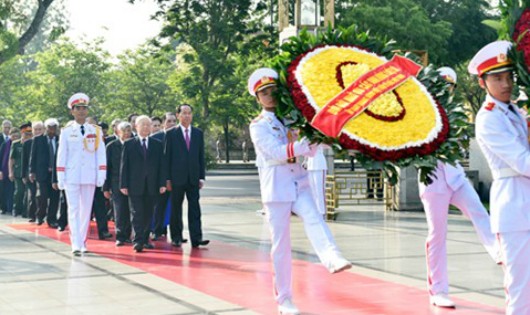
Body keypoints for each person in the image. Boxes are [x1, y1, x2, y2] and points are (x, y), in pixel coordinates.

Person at [248, 68, 351, 314]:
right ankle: (284, 299)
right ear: (257, 98)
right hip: (276, 188)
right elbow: (277, 152)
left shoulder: (293, 117)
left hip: (299, 180)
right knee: (281, 247)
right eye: (264, 93)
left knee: (315, 218)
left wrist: (316, 141)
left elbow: (310, 149)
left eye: (273, 90)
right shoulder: (258, 125)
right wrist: (303, 145)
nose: (270, 96)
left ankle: (331, 257)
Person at [418, 67, 499, 308]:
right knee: (437, 235)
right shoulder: (420, 110)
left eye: (450, 86)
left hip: (455, 176)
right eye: (441, 85)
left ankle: (498, 252)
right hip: (432, 180)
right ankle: (438, 290)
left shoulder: (454, 113)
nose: (446, 90)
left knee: (480, 213)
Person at [469, 40, 530, 315]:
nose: (506, 84)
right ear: (482, 83)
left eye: (509, 77)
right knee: (521, 288)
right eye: (497, 78)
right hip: (514, 209)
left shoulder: (514, 110)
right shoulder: (487, 119)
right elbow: (522, 161)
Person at [56, 93, 106, 256]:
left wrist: (101, 174)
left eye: (84, 108)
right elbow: (62, 155)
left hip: (89, 175)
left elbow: (100, 154)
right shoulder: (66, 131)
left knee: (86, 210)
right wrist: (60, 177)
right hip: (72, 175)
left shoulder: (95, 130)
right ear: (72, 111)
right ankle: (75, 242)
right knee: (73, 209)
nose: (82, 111)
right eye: (78, 108)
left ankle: (82, 241)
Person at [165, 104, 209, 248]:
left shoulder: (198, 133)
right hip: (176, 179)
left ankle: (197, 238)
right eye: (184, 113)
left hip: (193, 178)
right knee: (176, 209)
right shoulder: (171, 134)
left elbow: (200, 157)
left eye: (189, 113)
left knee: (195, 208)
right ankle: (176, 237)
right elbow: (167, 157)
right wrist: (167, 179)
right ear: (178, 115)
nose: (187, 116)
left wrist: (201, 177)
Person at [120, 116, 166, 252]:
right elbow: (124, 166)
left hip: (152, 185)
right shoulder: (129, 144)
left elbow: (162, 166)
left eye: (148, 125)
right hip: (135, 185)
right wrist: (123, 184)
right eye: (143, 125)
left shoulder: (157, 144)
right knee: (137, 213)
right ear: (136, 126)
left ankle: (145, 239)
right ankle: (138, 240)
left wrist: (162, 183)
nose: (146, 127)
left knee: (148, 213)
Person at [104, 122, 133, 246]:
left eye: (128, 131)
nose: (126, 134)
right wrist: (106, 187)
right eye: (124, 131)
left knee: (131, 210)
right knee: (119, 209)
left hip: (132, 183)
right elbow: (107, 168)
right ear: (117, 132)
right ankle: (120, 236)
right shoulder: (111, 146)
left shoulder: (134, 145)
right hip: (116, 183)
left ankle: (129, 234)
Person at [150, 112, 177, 241]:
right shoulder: (156, 138)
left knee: (176, 208)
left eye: (174, 121)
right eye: (169, 121)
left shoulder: (180, 136)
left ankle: (176, 234)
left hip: (177, 179)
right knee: (159, 206)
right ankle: (156, 230)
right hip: (159, 179)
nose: (171, 124)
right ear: (163, 124)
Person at [29, 118, 60, 228]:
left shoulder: (59, 140)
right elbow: (33, 156)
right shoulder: (38, 140)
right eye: (49, 128)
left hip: (55, 174)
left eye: (54, 128)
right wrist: (31, 171)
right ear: (46, 129)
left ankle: (52, 219)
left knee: (54, 197)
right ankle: (40, 216)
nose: (52, 130)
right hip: (42, 173)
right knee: (42, 196)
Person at [10, 124, 30, 217]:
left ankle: (25, 211)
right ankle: (16, 209)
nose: (27, 135)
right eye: (25, 133)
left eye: (29, 133)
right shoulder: (16, 143)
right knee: (19, 191)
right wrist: (11, 171)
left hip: (28, 171)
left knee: (28, 192)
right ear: (22, 133)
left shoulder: (32, 143)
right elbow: (12, 159)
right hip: (18, 171)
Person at [305, 144, 328, 217]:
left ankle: (321, 212)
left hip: (319, 164)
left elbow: (328, 145)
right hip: (310, 164)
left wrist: (318, 143)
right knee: (312, 191)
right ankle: (315, 211)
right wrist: (305, 160)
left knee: (319, 190)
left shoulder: (320, 136)